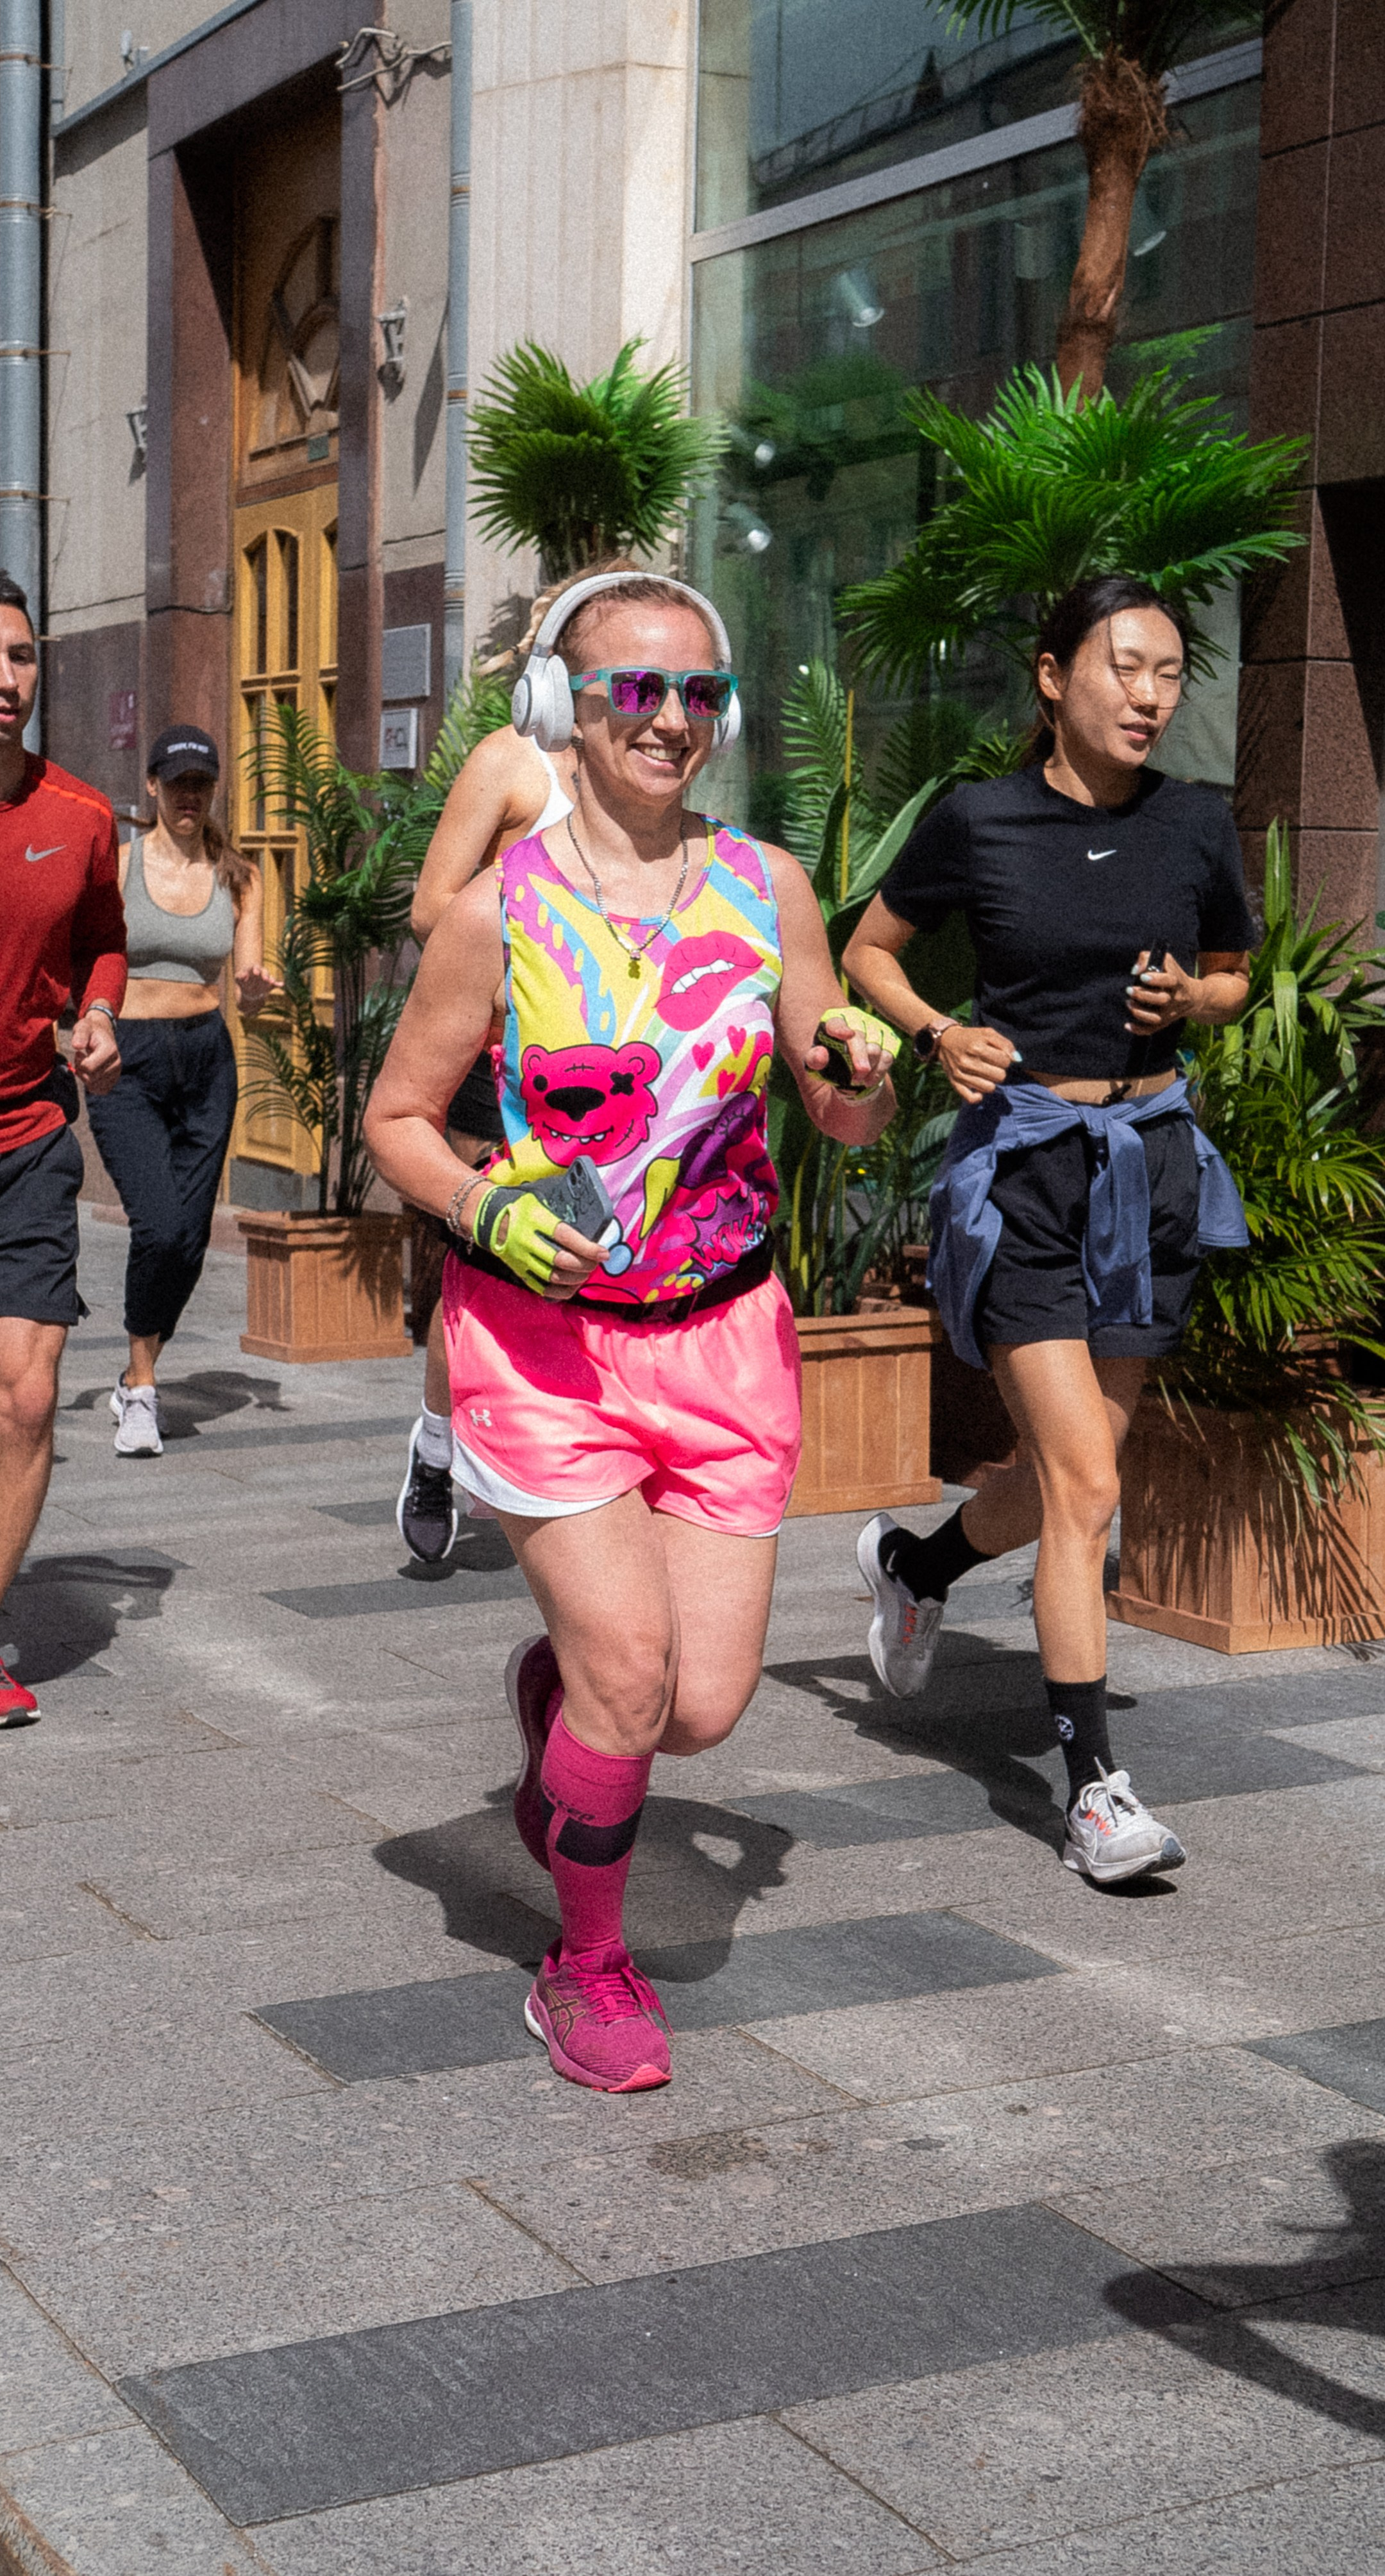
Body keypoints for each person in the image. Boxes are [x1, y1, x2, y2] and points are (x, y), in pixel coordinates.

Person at [366, 570, 896, 2089]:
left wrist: (856, 1072)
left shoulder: (769, 886)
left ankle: (561, 1712)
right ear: (568, 714)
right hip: (544, 1343)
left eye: (699, 694)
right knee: (629, 1680)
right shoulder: (497, 910)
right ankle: (583, 1963)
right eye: (634, 692)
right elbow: (398, 1118)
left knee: (702, 1708)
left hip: (724, 1334)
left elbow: (836, 1106)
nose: (671, 719)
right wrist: (484, 1211)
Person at [842, 574, 1253, 1886]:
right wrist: (938, 1031)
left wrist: (1195, 996)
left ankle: (915, 1560)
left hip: (1150, 1170)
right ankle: (1094, 1789)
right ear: (1053, 674)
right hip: (1025, 1168)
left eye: (1169, 671)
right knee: (1086, 1484)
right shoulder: (982, 818)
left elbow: (1237, 975)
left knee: (1071, 1484)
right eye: (1124, 665)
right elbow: (869, 950)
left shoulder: (1194, 824)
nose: (1148, 693)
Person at [394, 568, 634, 1563]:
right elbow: (427, 907)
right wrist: (524, 939)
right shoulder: (511, 760)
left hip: (621, 1077)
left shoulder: (650, 772)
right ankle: (440, 1443)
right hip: (507, 1069)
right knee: (486, 1263)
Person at [0, 561, 126, 1728]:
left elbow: (103, 936)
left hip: (22, 1139)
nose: (8, 679)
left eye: (22, 656)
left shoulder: (80, 815)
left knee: (25, 1399)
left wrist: (98, 1014)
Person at [85, 725, 276, 1456]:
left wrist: (256, 990)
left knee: (190, 1240)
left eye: (202, 783)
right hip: (127, 1059)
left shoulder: (240, 876)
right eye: (177, 782)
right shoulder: (120, 865)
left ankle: (139, 1372)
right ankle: (140, 1386)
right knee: (159, 1224)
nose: (189, 795)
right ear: (153, 786)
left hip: (206, 1059)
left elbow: (248, 984)